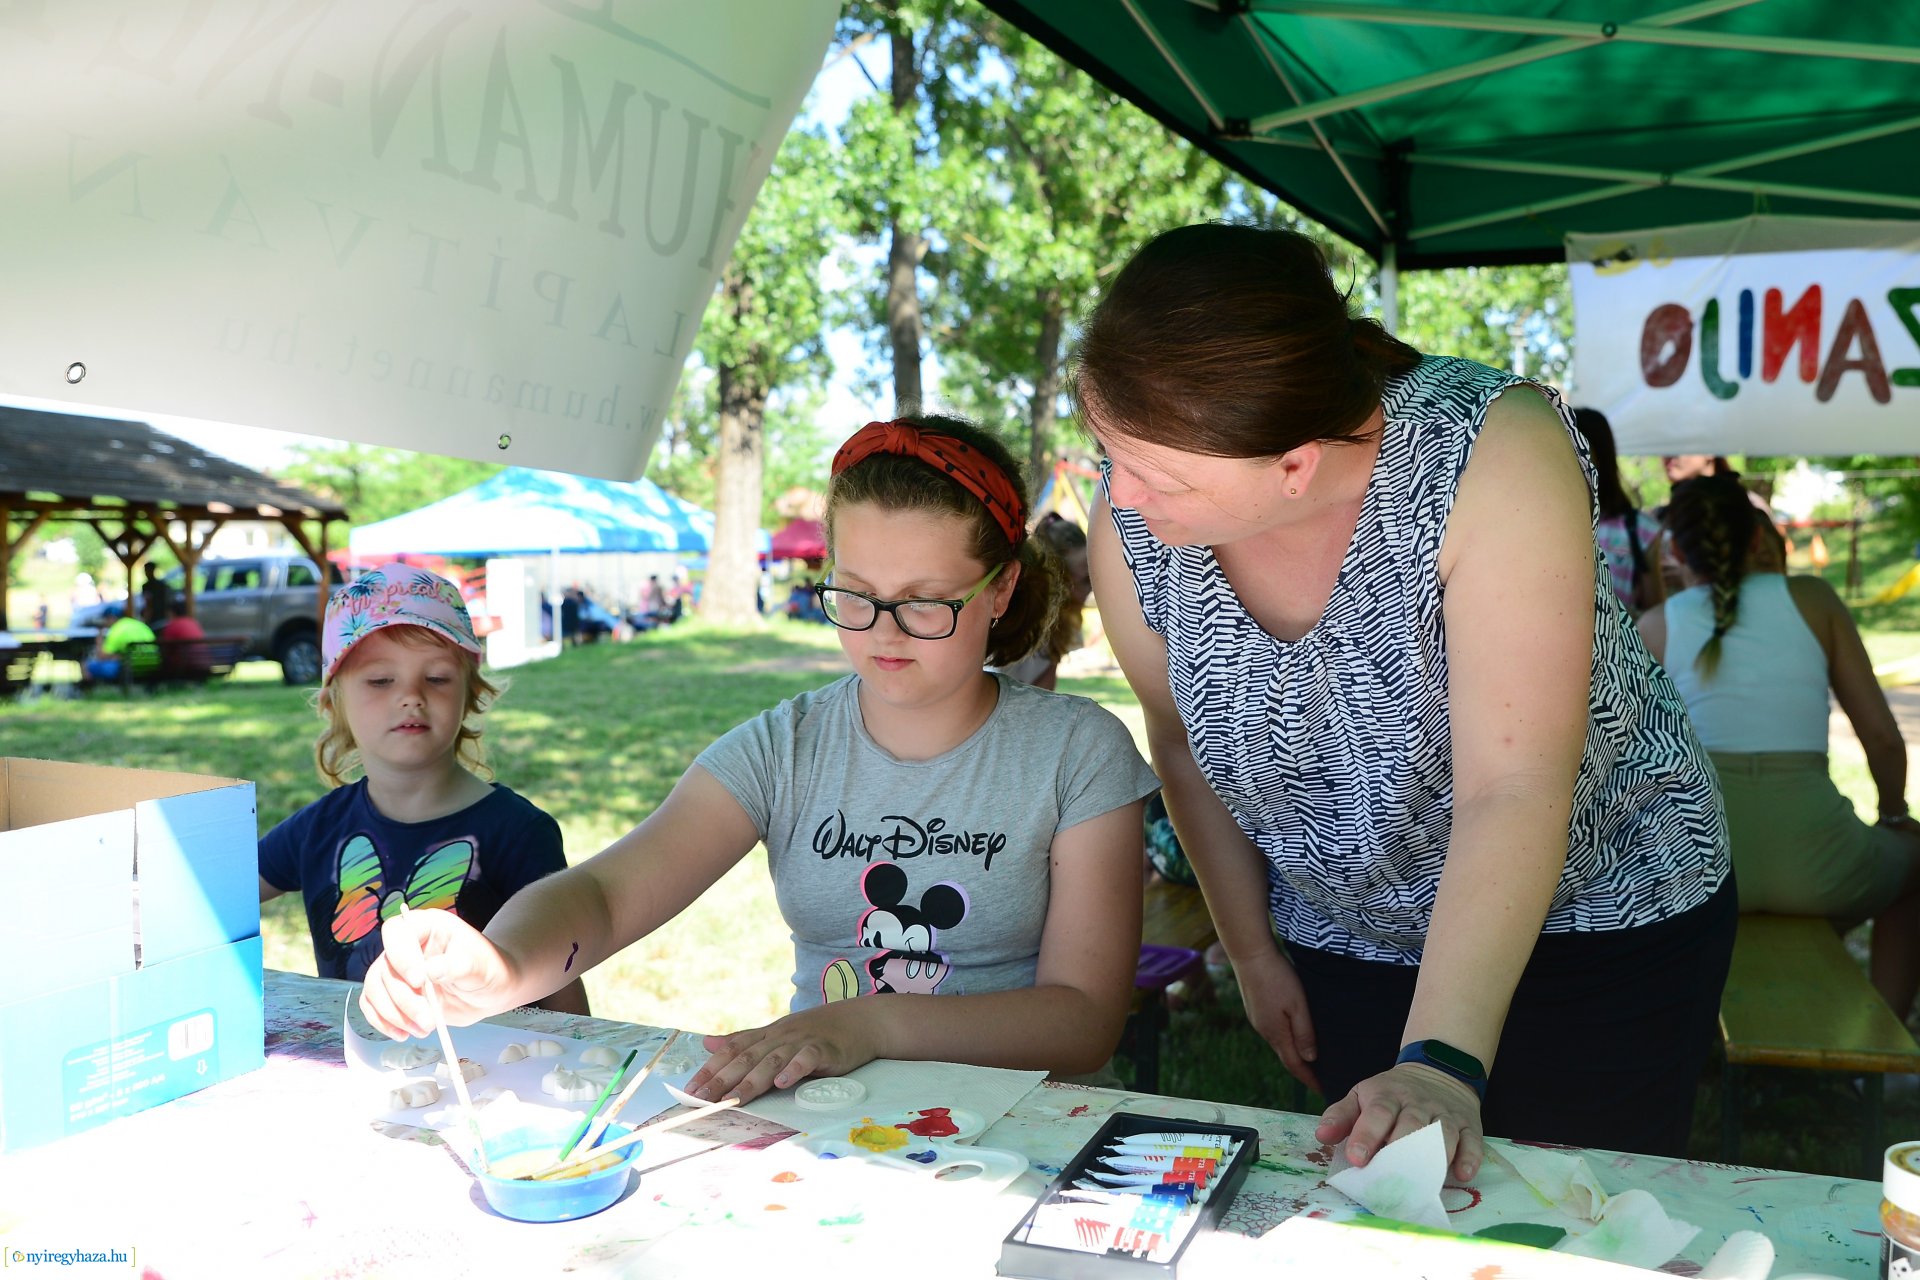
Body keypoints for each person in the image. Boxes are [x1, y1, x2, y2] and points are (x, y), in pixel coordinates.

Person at [1073, 223, 1731, 1180]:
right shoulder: (1134, 523)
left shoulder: (1488, 454)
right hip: (1347, 931)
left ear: (1295, 464)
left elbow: (1514, 783)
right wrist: (1253, 954)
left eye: (1155, 473)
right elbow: (1176, 743)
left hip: (1600, 915)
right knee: (1393, 1209)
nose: (1119, 497)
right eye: (1108, 449)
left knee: (1575, 1218)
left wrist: (1440, 1061)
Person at [358, 416, 1161, 1105]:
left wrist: (869, 1022)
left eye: (924, 602)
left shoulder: (1076, 753)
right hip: (832, 1117)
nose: (882, 631)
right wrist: (498, 967)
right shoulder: (786, 747)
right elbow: (605, 896)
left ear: (999, 590)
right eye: (854, 592)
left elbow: (1083, 1020)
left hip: (1035, 1128)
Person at [1639, 472, 1920, 1016]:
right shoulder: (1813, 599)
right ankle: (1881, 1044)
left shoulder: (1655, 625)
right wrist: (1892, 814)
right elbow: (1883, 741)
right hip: (1820, 861)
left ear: (1675, 549)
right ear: (1757, 539)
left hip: (1702, 869)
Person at [257, 563, 589, 1016]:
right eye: (380, 680)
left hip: (487, 1075)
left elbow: (563, 984)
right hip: (358, 1070)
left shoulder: (519, 832)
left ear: (470, 694)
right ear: (334, 701)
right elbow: (215, 896)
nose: (411, 695)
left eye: (436, 678)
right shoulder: (317, 828)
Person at [1570, 408, 1660, 616]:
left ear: (1600, 453)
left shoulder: (1640, 530)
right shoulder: (1542, 523)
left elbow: (1655, 613)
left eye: (1578, 447)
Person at [999, 513, 1090, 690]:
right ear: (1058, 570)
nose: (1093, 584)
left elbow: (1045, 688)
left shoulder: (1064, 623)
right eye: (1086, 574)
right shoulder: (1020, 616)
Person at [82, 603, 156, 685]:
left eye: (106, 619)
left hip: (131, 668)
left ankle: (91, 691)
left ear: (111, 618)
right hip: (153, 664)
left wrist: (99, 639)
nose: (105, 622)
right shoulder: (139, 625)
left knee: (88, 665)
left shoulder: (116, 630)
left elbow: (102, 656)